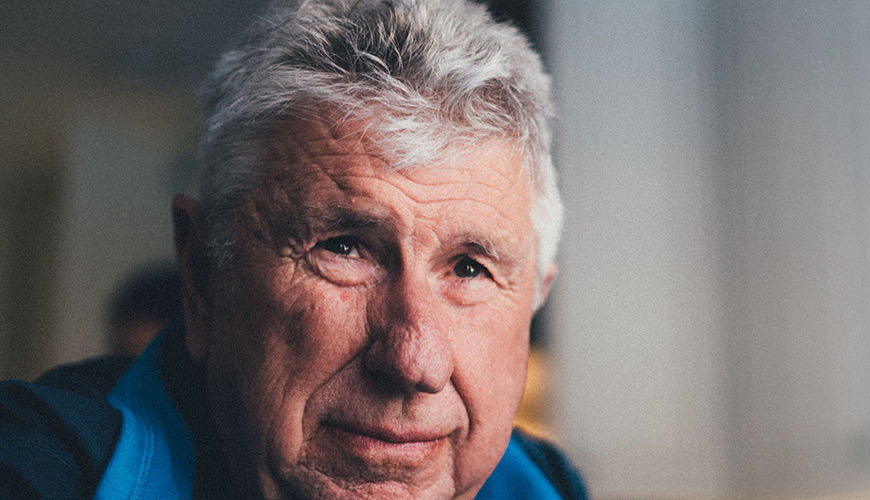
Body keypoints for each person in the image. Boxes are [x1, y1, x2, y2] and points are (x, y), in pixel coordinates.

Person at [0, 1, 586, 499]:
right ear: (204, 276)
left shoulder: (545, 481)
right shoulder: (36, 462)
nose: (414, 364)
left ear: (534, 298)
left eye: (469, 268)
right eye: (344, 247)